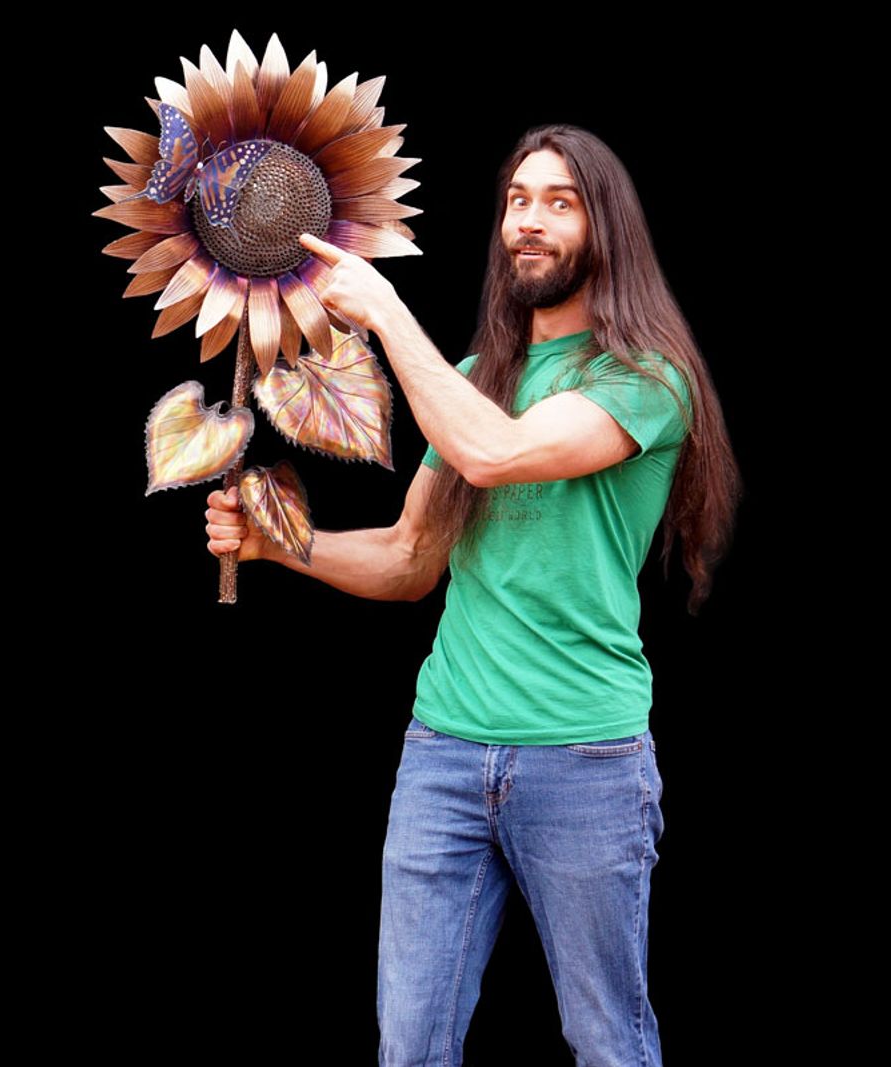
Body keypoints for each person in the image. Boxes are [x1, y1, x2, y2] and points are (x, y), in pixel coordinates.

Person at [203, 124, 740, 1066]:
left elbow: (498, 453)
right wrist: (282, 545)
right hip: (442, 758)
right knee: (410, 1046)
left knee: (608, 1039)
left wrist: (384, 314)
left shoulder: (646, 380)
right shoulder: (467, 382)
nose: (528, 222)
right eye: (517, 201)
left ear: (604, 228)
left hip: (583, 760)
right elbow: (412, 558)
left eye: (560, 202)